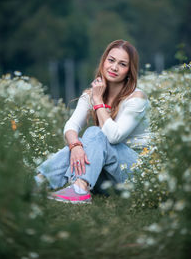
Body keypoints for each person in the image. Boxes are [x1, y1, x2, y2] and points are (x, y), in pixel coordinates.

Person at [35, 39, 150, 204]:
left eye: (122, 64)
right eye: (111, 60)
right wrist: (75, 147)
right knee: (79, 143)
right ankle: (39, 182)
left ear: (129, 71)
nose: (114, 67)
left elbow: (114, 137)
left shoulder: (137, 98)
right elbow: (71, 126)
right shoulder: (91, 94)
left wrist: (98, 101)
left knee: (95, 133)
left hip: (136, 175)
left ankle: (80, 188)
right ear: (103, 61)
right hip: (107, 180)